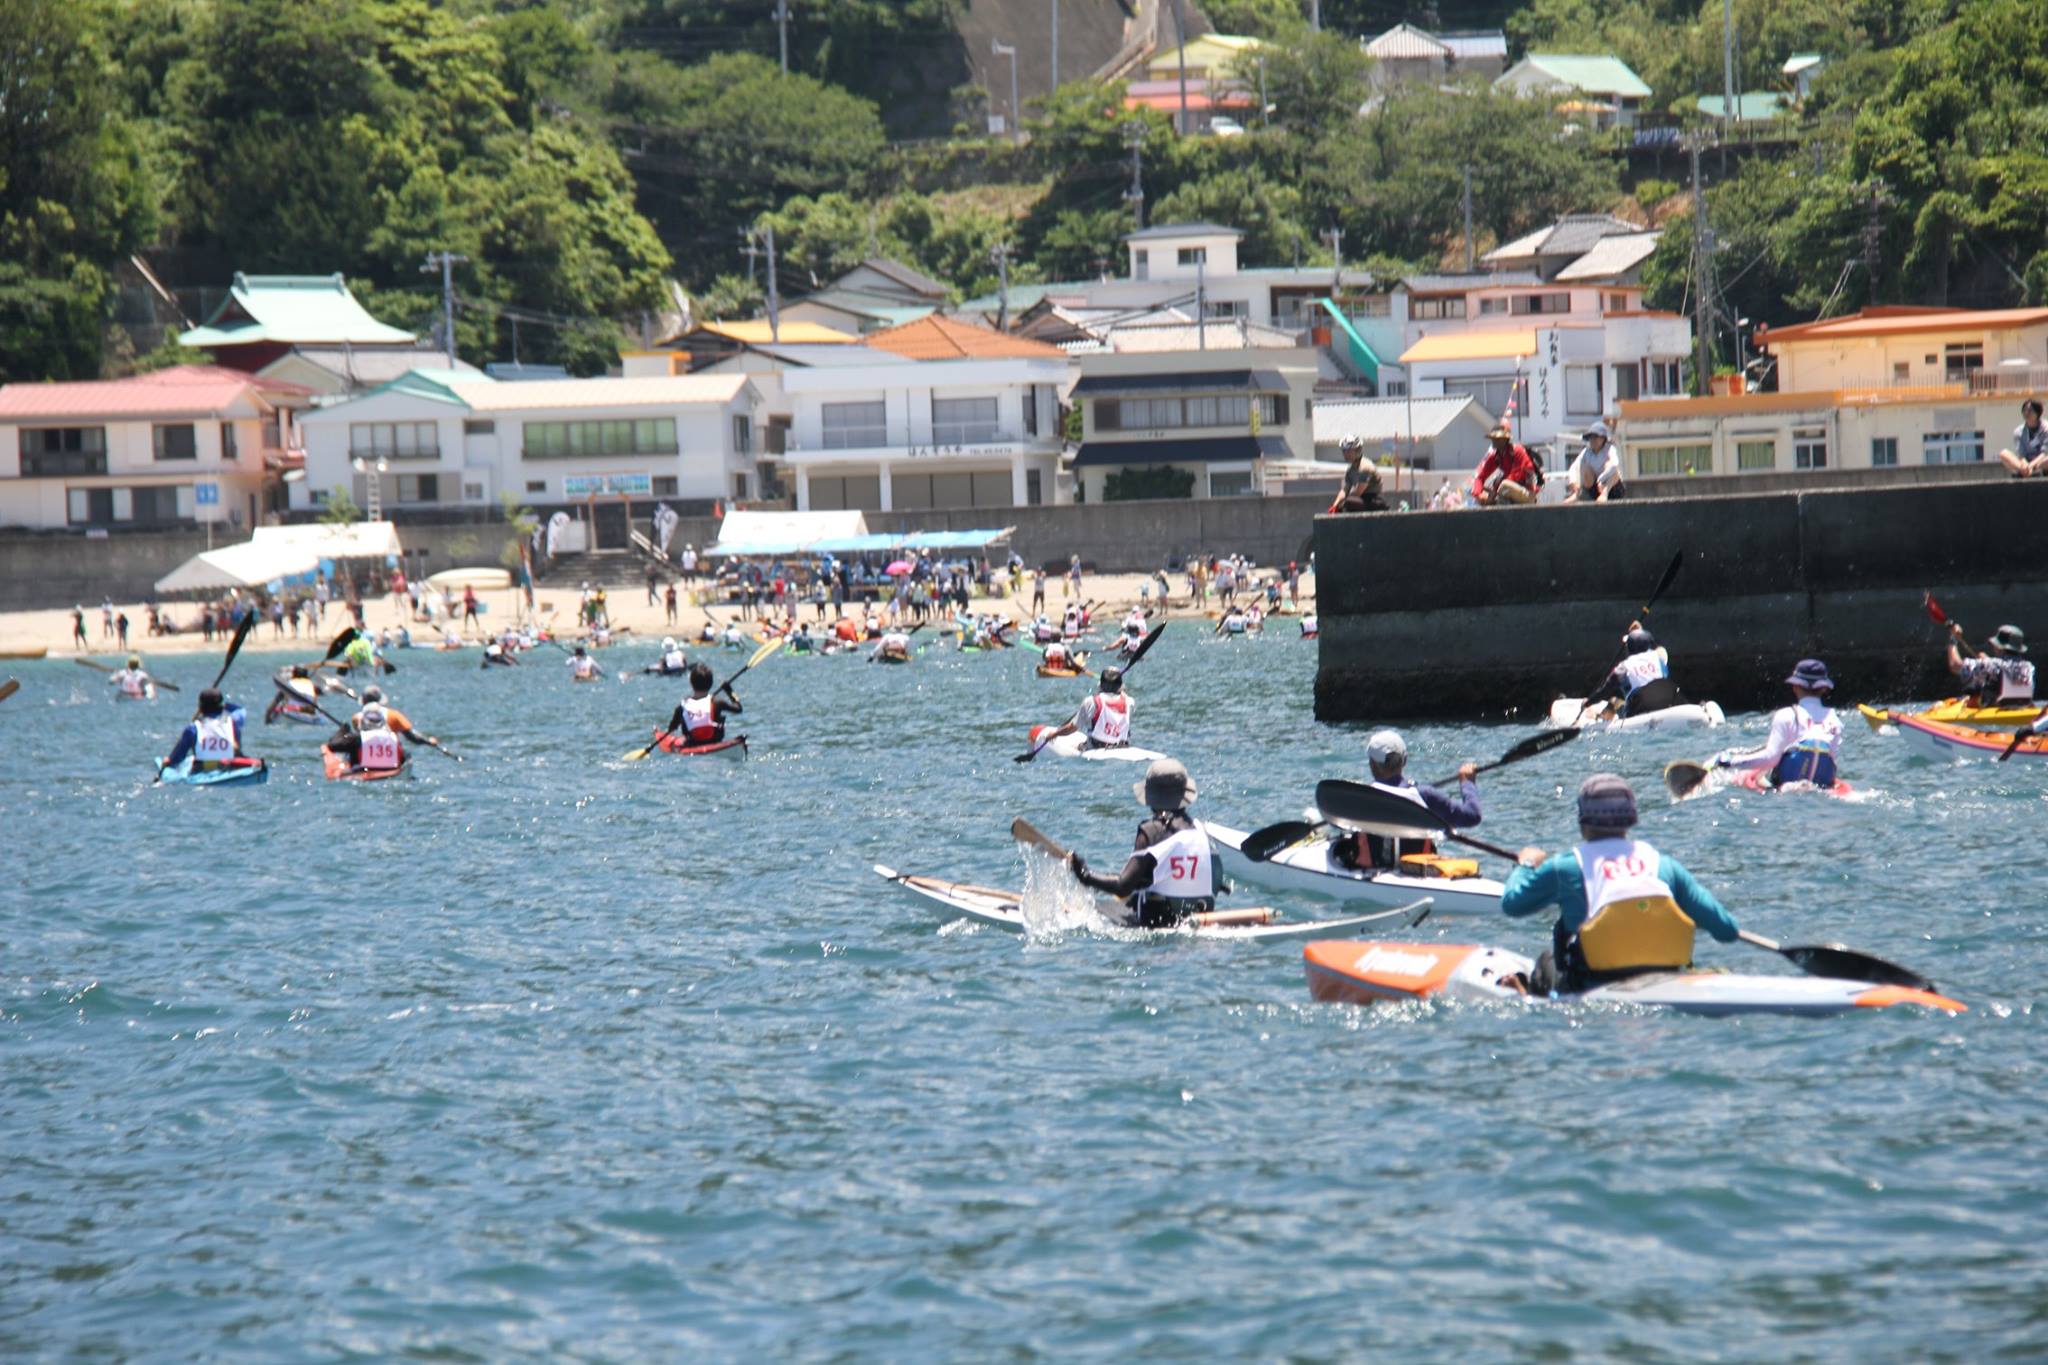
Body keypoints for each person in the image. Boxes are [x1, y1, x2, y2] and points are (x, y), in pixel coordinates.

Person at [1500, 773, 1741, 995]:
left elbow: (1512, 904)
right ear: (1631, 817)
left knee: (1547, 961)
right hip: (1667, 976)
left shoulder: (1564, 867)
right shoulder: (1664, 866)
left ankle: (1524, 991)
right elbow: (1727, 930)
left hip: (1592, 983)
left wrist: (1526, 864)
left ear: (1582, 820)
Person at [1067, 759, 1215, 928]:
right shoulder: (1201, 831)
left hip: (1156, 920)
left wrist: (1085, 875)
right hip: (1198, 915)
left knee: (1089, 909)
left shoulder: (1150, 831)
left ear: (1151, 796)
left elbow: (1122, 887)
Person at [1330, 730, 1482, 871]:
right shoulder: (1425, 795)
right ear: (1404, 761)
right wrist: (1467, 783)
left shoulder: (1360, 798)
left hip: (1370, 873)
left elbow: (1335, 820)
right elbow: (1472, 816)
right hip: (1418, 874)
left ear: (1372, 764)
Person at [1713, 658, 1844, 788]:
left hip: (1785, 786)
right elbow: (1830, 761)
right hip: (1821, 786)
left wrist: (1729, 762)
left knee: (1744, 775)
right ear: (1824, 689)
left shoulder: (1786, 715)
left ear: (1795, 686)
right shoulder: (1835, 720)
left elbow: (1770, 758)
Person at [1582, 624, 1684, 720]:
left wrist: (1588, 702)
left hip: (1641, 707)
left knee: (1617, 698)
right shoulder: (1659, 657)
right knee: (1618, 699)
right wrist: (1640, 632)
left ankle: (1602, 717)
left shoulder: (1623, 667)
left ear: (1630, 647)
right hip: (1669, 701)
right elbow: (1657, 647)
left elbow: (1604, 692)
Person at [162, 688, 250, 773]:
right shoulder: (232, 720)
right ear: (221, 706)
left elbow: (177, 758)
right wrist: (224, 704)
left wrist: (168, 761)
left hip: (203, 769)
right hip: (231, 766)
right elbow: (240, 710)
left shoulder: (193, 728)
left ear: (200, 708)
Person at [1044, 667, 1132, 751]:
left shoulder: (1090, 701)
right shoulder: (1129, 702)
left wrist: (1054, 734)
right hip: (1123, 746)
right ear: (1120, 686)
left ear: (1101, 686)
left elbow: (1073, 728)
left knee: (1079, 746)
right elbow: (1121, 695)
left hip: (1096, 747)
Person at [1948, 623, 2034, 706]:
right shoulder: (2028, 667)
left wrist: (1953, 639)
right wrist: (1987, 662)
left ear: (1999, 648)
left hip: (1998, 713)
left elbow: (1955, 665)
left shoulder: (1990, 665)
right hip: (2023, 711)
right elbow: (2005, 667)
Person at [666, 662, 741, 744]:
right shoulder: (717, 702)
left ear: (691, 683)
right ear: (711, 684)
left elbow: (672, 728)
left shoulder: (682, 706)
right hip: (715, 740)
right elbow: (738, 709)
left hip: (692, 742)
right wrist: (729, 691)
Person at [327, 702, 406, 773]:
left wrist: (343, 730)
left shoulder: (357, 739)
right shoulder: (393, 738)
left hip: (363, 772)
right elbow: (403, 758)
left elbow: (332, 746)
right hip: (391, 771)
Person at [1470, 426, 1540, 506]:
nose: (1494, 440)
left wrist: (1494, 491)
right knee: (1484, 497)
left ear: (1505, 440)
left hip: (1527, 493)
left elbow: (1515, 476)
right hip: (1507, 490)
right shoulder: (1496, 456)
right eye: (1493, 438)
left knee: (1504, 486)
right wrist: (1478, 494)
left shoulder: (1517, 451)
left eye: (1497, 438)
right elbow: (1480, 476)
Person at [1563, 421, 1625, 502]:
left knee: (1611, 466)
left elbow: (1615, 464)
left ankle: (1604, 494)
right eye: (1591, 437)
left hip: (1611, 488)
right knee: (1584, 467)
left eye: (1595, 437)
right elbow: (1574, 468)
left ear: (1603, 438)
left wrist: (1601, 479)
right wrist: (1573, 481)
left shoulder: (1609, 449)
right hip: (1594, 489)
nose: (1592, 440)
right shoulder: (1586, 452)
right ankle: (1577, 494)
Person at [1328, 435, 1388, 513]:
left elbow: (1358, 492)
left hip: (1375, 501)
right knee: (1338, 508)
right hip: (1362, 500)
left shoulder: (1365, 467)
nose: (1346, 454)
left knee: (1348, 502)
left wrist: (1343, 504)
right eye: (1344, 451)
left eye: (1349, 451)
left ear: (1358, 450)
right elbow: (1345, 490)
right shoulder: (1351, 470)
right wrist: (1335, 505)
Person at [1997, 399, 2047, 478]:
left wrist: (2031, 466)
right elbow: (2021, 454)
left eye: (2030, 411)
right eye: (2024, 411)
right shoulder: (2018, 431)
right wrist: (2025, 466)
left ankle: (2033, 471)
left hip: (2040, 463)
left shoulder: (2046, 429)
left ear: (2038, 413)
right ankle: (2025, 472)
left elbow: (2045, 453)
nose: (2026, 413)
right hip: (2025, 464)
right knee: (2004, 453)